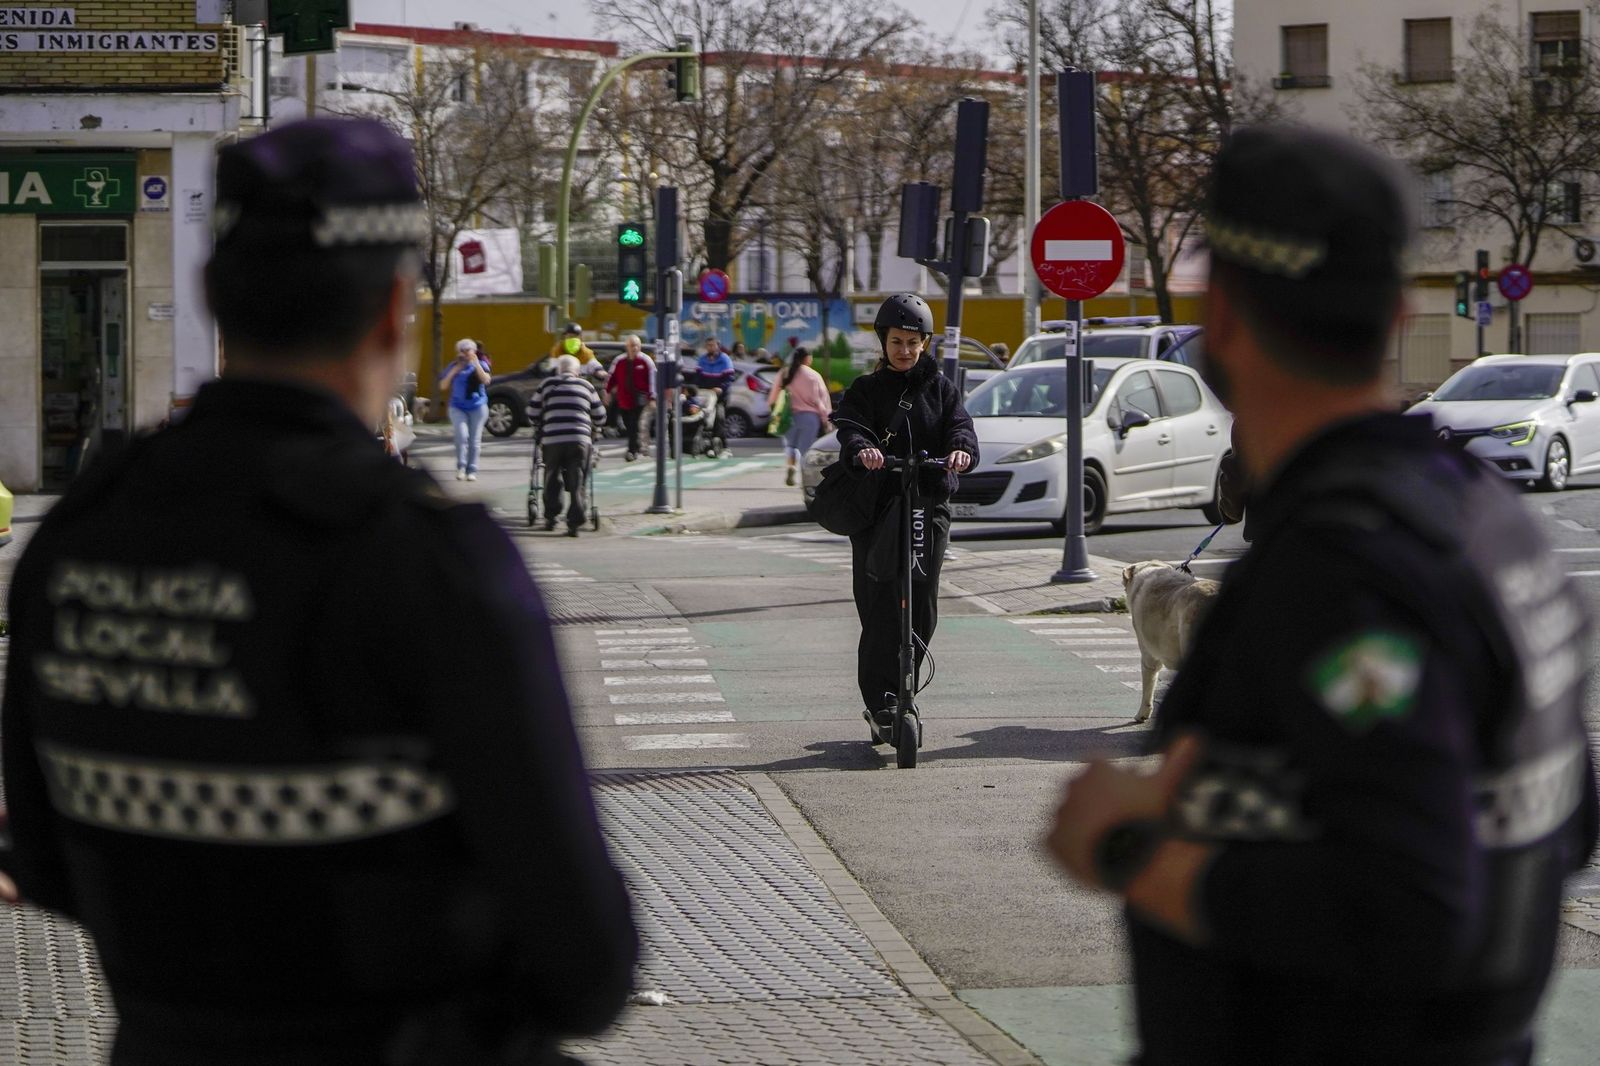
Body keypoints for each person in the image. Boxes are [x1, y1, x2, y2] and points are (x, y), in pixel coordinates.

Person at [0, 117, 637, 1065]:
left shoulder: (81, 530)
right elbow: (588, 965)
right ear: (394, 308)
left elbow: (48, 860)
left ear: (215, 297)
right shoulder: (423, 559)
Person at [1044, 126, 1597, 1066]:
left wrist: (1134, 848)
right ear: (1395, 318)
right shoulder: (1482, 517)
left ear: (1221, 319)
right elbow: (1562, 823)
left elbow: (1413, 913)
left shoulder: (1346, 573)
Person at [834, 294, 976, 738]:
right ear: (883, 342)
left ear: (925, 343)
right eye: (897, 341)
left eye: (913, 342)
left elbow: (961, 427)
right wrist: (864, 449)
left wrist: (961, 451)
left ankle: (905, 686)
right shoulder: (866, 389)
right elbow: (850, 428)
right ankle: (881, 702)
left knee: (922, 601)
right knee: (879, 604)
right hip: (879, 510)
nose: (905, 350)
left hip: (927, 505)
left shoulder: (941, 389)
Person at [530, 354, 605, 537]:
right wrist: (593, 425)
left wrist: (540, 423)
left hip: (552, 440)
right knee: (577, 479)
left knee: (552, 476)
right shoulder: (587, 386)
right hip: (580, 439)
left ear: (559, 370)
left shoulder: (547, 384)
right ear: (577, 371)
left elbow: (532, 412)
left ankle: (551, 518)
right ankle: (574, 523)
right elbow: (600, 416)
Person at [767, 346, 831, 486]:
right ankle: (805, 477)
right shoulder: (814, 375)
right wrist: (826, 419)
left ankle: (791, 466)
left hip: (788, 416)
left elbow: (773, 396)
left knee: (790, 446)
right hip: (810, 418)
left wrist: (773, 409)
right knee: (806, 450)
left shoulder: (785, 372)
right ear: (807, 358)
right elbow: (822, 399)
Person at [439, 337, 491, 480]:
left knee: (474, 440)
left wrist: (476, 364)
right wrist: (455, 370)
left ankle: (472, 470)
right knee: (461, 435)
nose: (465, 353)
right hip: (457, 407)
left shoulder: (481, 364)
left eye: (468, 350)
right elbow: (443, 386)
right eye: (462, 350)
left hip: (478, 406)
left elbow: (486, 380)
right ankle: (461, 467)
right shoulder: (453, 366)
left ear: (474, 351)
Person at [605, 334, 655, 461]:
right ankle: (637, 446)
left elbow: (653, 379)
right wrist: (607, 392)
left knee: (634, 424)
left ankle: (631, 451)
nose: (634, 348)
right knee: (628, 424)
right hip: (624, 399)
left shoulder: (646, 361)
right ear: (627, 346)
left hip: (641, 398)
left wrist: (652, 396)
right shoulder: (619, 361)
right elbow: (611, 378)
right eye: (632, 346)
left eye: (637, 345)